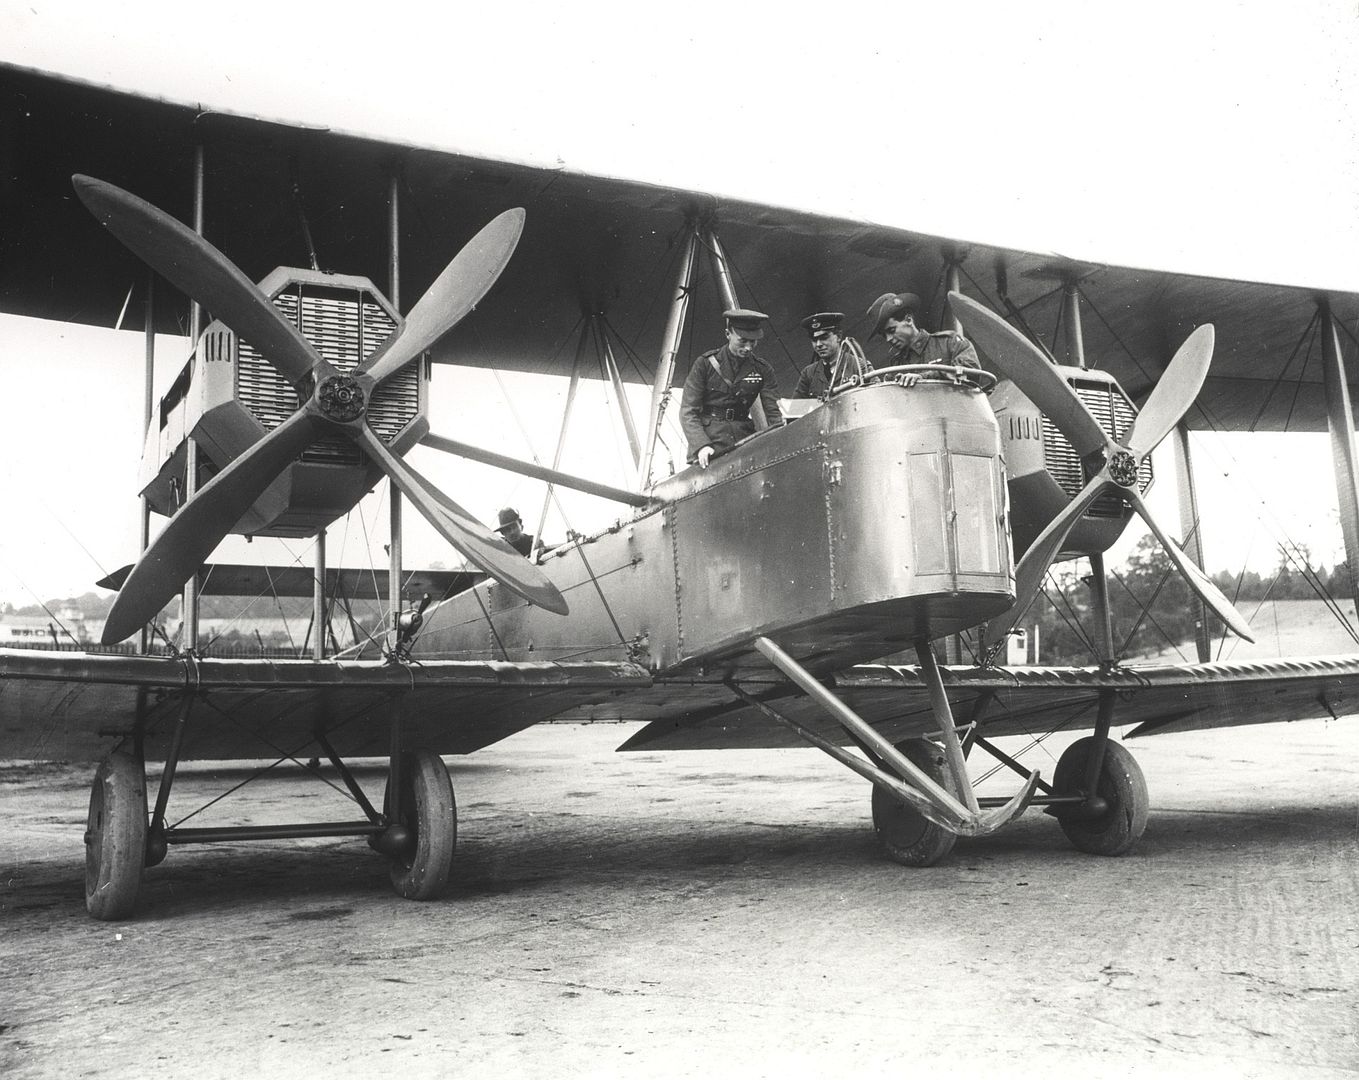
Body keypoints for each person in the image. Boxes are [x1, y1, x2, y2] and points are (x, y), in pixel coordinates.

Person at [680, 308, 785, 468]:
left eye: (753, 341)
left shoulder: (763, 369)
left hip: (745, 439)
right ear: (728, 334)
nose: (749, 347)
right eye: (743, 341)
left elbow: (773, 412)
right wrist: (701, 446)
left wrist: (781, 440)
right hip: (711, 443)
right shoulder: (705, 364)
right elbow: (688, 411)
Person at [866, 291, 979, 375]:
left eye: (891, 330)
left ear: (908, 320)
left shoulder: (949, 342)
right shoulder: (897, 365)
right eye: (884, 335)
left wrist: (925, 378)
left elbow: (970, 370)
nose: (888, 339)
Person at [794, 311, 872, 398]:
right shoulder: (808, 374)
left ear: (838, 336)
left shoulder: (859, 366)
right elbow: (795, 409)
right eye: (814, 340)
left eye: (824, 338)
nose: (818, 344)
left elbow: (877, 397)